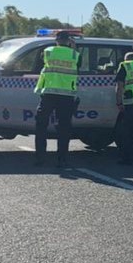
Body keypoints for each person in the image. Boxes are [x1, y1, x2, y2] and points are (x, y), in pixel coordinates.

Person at [33, 31, 80, 167]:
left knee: (41, 126)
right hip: (67, 96)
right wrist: (74, 47)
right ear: (68, 41)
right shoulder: (74, 54)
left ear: (56, 40)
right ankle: (62, 159)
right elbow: (78, 64)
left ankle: (40, 157)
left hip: (49, 94)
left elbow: (40, 64)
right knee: (64, 128)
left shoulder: (48, 51)